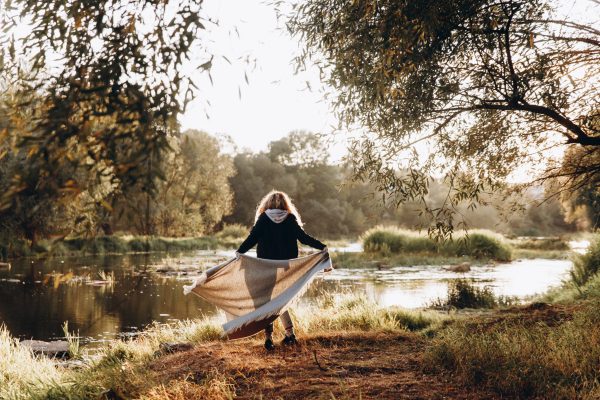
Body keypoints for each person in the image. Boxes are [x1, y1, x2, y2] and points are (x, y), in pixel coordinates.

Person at [236, 190, 327, 351]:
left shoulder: (264, 218)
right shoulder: (290, 218)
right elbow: (304, 238)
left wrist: (240, 252)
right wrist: (322, 247)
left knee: (267, 300)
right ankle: (290, 334)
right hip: (286, 266)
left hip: (265, 265)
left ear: (267, 204)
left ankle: (269, 338)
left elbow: (252, 238)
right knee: (281, 301)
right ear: (286, 204)